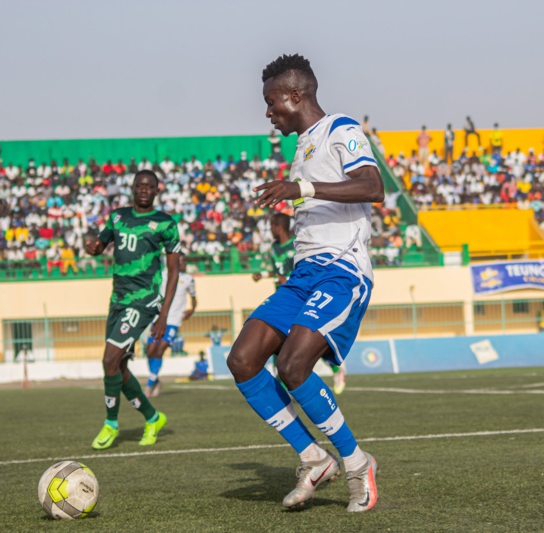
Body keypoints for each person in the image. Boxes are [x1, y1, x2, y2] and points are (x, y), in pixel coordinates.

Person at [227, 53, 381, 513]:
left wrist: (302, 189)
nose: (269, 113)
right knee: (243, 358)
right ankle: (313, 458)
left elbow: (373, 186)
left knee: (293, 366)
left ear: (296, 96)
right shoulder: (302, 147)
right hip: (304, 274)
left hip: (342, 270)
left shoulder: (341, 129)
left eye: (273, 103)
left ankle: (357, 463)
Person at [84, 170, 181, 450]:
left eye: (149, 186)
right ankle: (152, 417)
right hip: (118, 300)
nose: (143, 190)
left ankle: (110, 424)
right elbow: (100, 245)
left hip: (144, 301)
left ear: (156, 191)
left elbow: (173, 271)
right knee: (118, 365)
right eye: (139, 185)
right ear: (132, 188)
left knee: (108, 360)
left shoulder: (165, 223)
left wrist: (163, 314)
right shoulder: (117, 217)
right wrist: (94, 248)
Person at [253, 213, 347, 394]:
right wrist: (263, 275)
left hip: (300, 298)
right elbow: (277, 272)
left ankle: (335, 369)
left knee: (299, 342)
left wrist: (286, 280)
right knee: (279, 342)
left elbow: (305, 272)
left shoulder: (296, 245)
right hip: (283, 299)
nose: (270, 230)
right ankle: (280, 389)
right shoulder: (274, 248)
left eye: (272, 226)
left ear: (278, 227)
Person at [145, 253, 197, 397]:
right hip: (158, 319)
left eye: (185, 261)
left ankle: (149, 383)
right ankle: (155, 378)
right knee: (150, 351)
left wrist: (191, 310)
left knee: (160, 350)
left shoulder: (188, 279)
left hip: (174, 321)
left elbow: (194, 299)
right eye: (181, 262)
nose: (184, 264)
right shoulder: (163, 275)